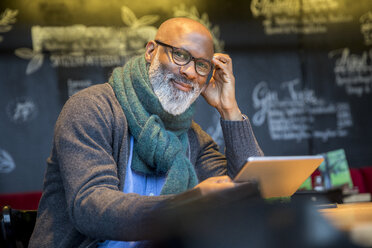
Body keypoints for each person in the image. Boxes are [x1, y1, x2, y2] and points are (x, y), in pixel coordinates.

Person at [28, 17, 263, 248]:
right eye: (180, 55)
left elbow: (252, 190)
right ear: (151, 51)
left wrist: (228, 109)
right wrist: (185, 204)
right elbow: (90, 208)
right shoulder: (91, 108)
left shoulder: (193, 137)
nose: (191, 72)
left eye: (201, 65)